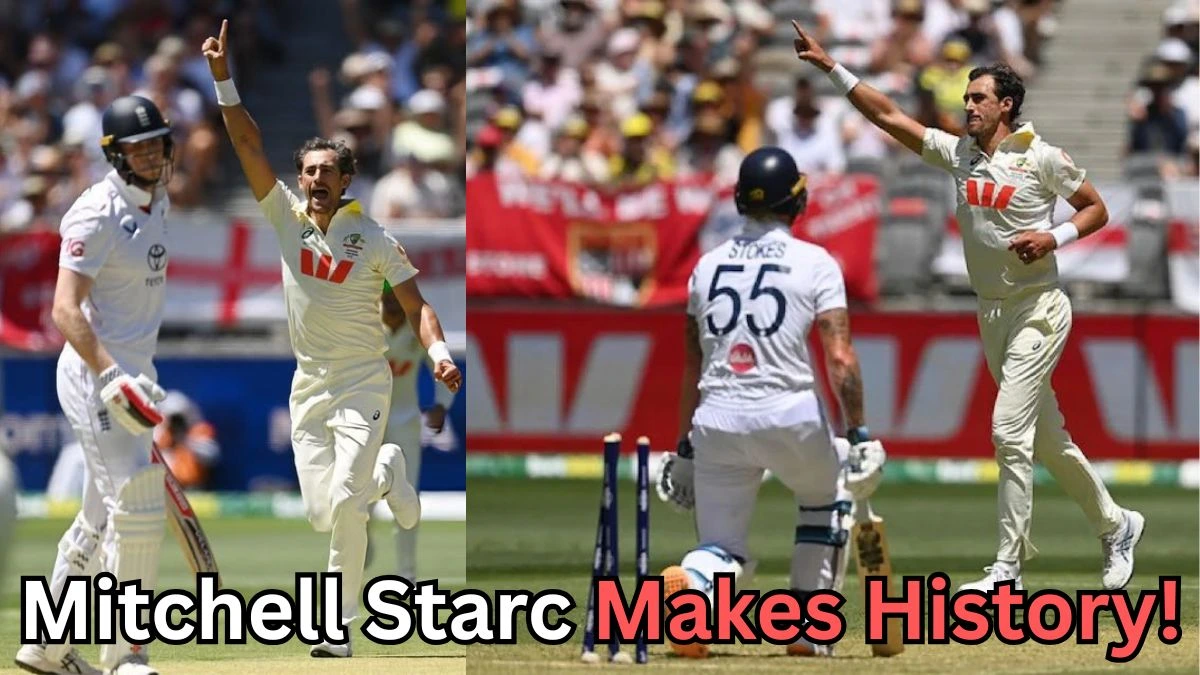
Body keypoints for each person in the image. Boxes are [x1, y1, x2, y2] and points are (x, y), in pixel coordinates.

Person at [790, 20, 1144, 592]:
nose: (968, 105)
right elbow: (888, 117)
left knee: (1008, 432)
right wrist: (832, 67)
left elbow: (1095, 208)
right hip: (993, 313)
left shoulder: (1041, 157)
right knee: (1048, 441)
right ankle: (1116, 524)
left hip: (1039, 308)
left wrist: (1053, 237)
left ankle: (1006, 572)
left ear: (1006, 105)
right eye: (967, 97)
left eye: (979, 98)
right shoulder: (959, 154)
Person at [204, 20, 462, 658]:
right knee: (325, 513)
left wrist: (438, 353)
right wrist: (223, 79)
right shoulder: (284, 217)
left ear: (345, 181)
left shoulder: (373, 238)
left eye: (327, 171)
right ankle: (388, 472)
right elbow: (246, 144)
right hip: (308, 385)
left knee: (347, 501)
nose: (316, 178)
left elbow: (418, 306)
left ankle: (336, 629)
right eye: (309, 170)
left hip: (363, 381)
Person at [655, 147, 886, 659]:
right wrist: (859, 435)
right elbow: (840, 357)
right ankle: (806, 627)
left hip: (716, 417)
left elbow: (692, 365)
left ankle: (697, 585)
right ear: (797, 202)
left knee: (720, 546)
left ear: (740, 200)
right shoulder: (815, 262)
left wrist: (684, 447)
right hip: (790, 415)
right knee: (829, 494)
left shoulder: (706, 266)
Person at [16, 94, 176, 675]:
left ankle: (46, 646)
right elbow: (65, 309)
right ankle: (126, 654)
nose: (151, 157)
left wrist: (131, 377)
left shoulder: (158, 199)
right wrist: (110, 374)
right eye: (139, 149)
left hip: (134, 377)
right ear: (115, 155)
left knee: (98, 518)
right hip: (94, 376)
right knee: (133, 505)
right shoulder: (96, 213)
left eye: (157, 145)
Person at [379, 288, 457, 584]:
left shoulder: (417, 326)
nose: (391, 306)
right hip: (366, 423)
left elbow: (444, 368)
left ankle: (407, 575)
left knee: (408, 499)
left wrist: (441, 406)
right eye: (386, 299)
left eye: (396, 299)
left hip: (405, 422)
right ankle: (359, 553)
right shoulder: (364, 322)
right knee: (358, 496)